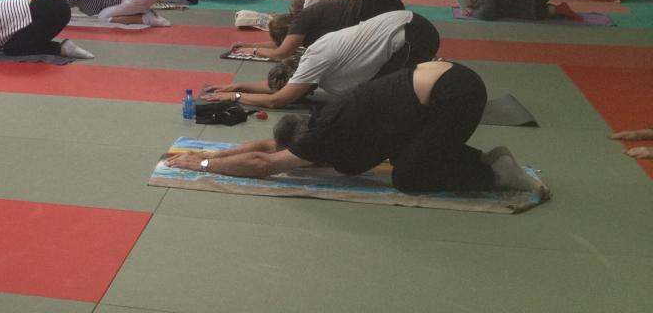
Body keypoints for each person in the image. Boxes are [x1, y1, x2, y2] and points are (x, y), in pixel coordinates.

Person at [168, 62, 549, 198]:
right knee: (404, 150)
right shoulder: (317, 122)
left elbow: (263, 164)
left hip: (455, 93)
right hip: (442, 78)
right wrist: (212, 152)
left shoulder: (322, 136)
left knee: (408, 177)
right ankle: (485, 160)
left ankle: (495, 174)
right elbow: (269, 145)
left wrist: (202, 166)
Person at [205, 10, 440, 108]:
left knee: (387, 97)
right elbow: (278, 88)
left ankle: (435, 82)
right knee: (377, 87)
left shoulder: (314, 63)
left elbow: (276, 100)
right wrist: (238, 85)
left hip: (413, 36)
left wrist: (235, 96)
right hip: (407, 21)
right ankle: (433, 72)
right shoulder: (311, 54)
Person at [225, 0, 405, 60]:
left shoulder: (300, 21)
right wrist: (247, 45)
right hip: (376, 2)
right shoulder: (301, 23)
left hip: (374, 6)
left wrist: (252, 51)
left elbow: (281, 52)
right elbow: (282, 45)